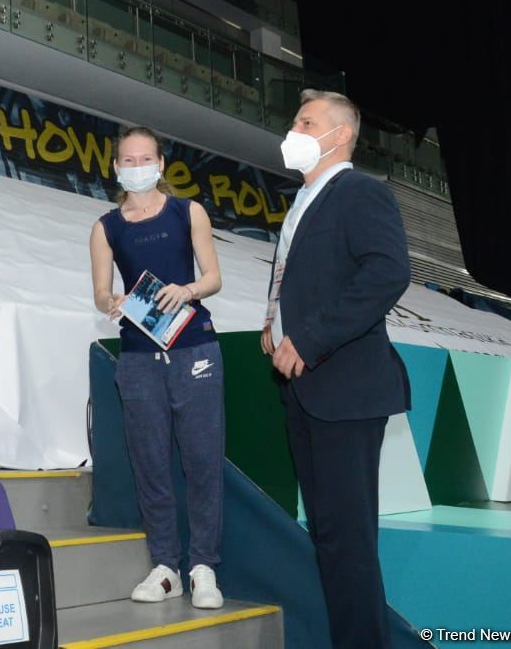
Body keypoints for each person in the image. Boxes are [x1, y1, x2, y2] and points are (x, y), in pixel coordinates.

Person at [260, 89, 410, 648]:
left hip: (346, 392)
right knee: (327, 535)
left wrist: (309, 337)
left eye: (306, 121)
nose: (293, 129)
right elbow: (305, 279)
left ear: (340, 135)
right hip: (303, 392)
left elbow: (388, 273)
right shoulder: (302, 201)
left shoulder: (361, 193)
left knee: (348, 541)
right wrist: (272, 324)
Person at [89, 126, 226, 610]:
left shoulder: (188, 211)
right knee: (150, 464)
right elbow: (101, 293)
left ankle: (204, 566)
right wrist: (114, 301)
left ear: (161, 164)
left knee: (203, 461)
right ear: (116, 167)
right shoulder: (106, 226)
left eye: (145, 157)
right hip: (138, 358)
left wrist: (187, 291)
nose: (137, 165)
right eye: (128, 159)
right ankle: (166, 565)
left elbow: (213, 277)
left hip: (195, 351)